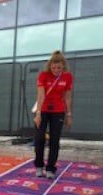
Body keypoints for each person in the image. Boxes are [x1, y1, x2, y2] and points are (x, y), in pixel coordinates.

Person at [34, 50, 74, 179]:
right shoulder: (43, 75)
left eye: (59, 68)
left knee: (54, 140)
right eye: (54, 67)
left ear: (63, 66)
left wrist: (69, 115)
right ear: (49, 65)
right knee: (39, 138)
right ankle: (39, 166)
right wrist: (38, 114)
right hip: (43, 109)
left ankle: (51, 168)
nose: (56, 70)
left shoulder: (67, 77)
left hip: (58, 111)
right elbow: (40, 95)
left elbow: (67, 97)